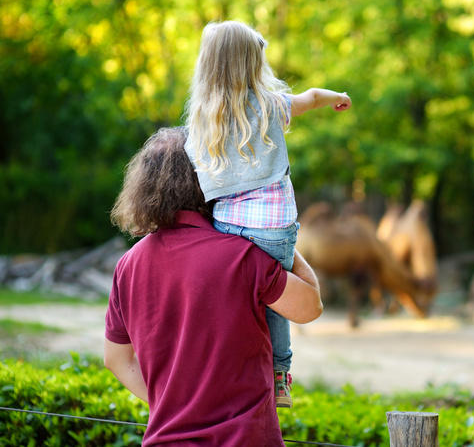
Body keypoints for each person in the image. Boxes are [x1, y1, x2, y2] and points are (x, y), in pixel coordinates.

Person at [104, 127, 322, 446]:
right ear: (213, 179)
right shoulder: (243, 256)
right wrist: (278, 240)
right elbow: (310, 307)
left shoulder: (128, 265)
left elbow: (116, 359)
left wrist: (173, 407)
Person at [183, 20, 351, 407]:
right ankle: (279, 376)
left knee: (238, 297)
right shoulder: (272, 105)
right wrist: (337, 96)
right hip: (273, 229)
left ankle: (222, 363)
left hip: (225, 229)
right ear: (251, 64)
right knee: (276, 298)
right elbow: (310, 96)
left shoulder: (201, 121)